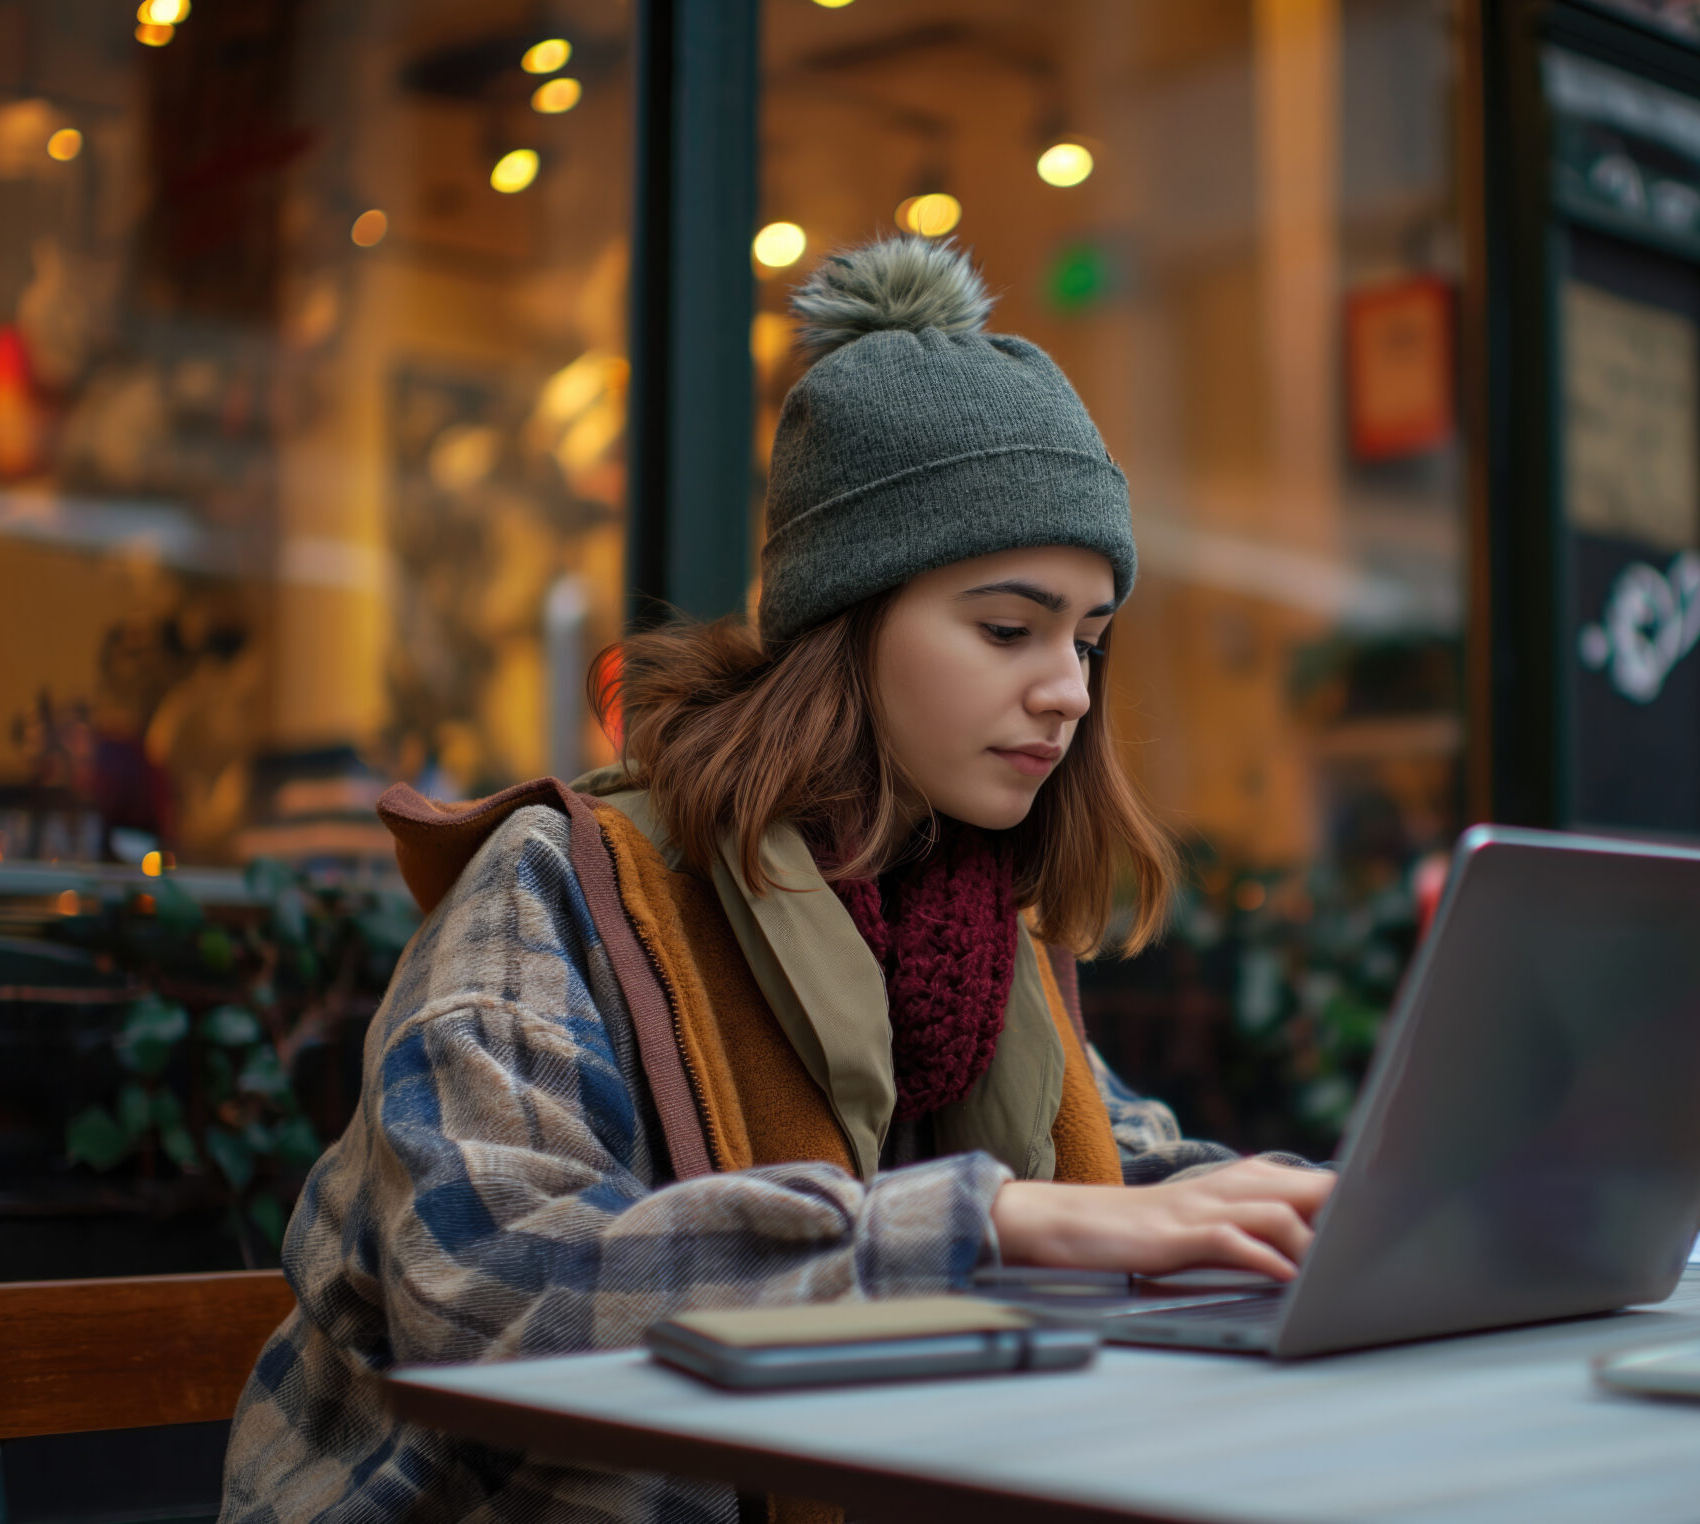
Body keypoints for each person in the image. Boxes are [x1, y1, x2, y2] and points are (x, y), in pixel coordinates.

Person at [220, 236, 1335, 1524]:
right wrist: (994, 1231)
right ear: (845, 627)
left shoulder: (975, 925)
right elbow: (493, 1289)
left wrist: (1329, 1220)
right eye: (1007, 629)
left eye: (1088, 641)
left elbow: (1122, 1183)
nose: (1070, 693)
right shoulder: (565, 885)